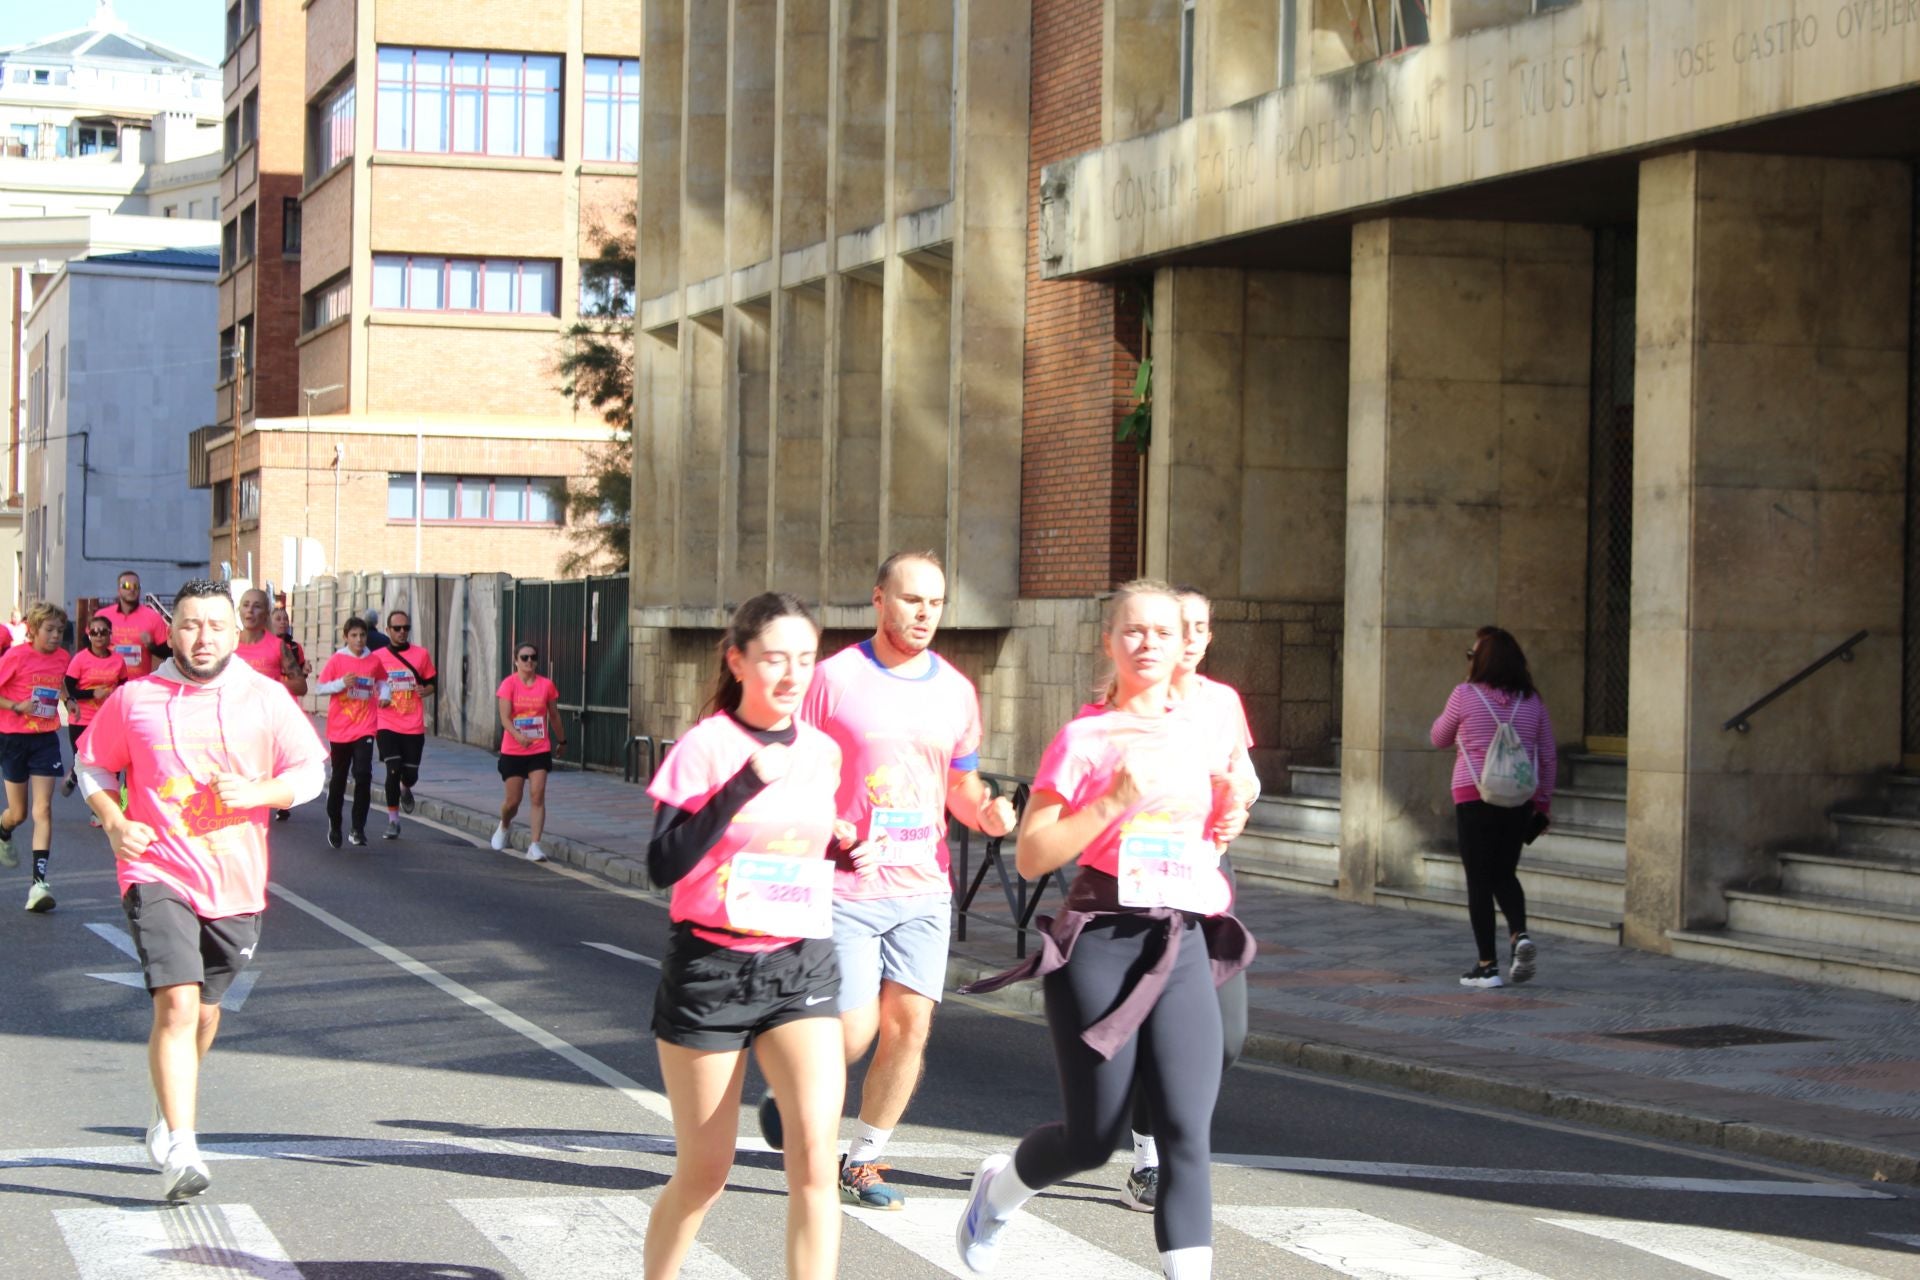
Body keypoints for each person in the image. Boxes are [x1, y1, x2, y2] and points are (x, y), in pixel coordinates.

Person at [955, 580, 1254, 1280]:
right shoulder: (1084, 737)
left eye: (1162, 632)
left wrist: (1230, 813)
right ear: (1110, 642)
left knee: (1186, 1135)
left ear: (1187, 644)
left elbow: (1221, 800)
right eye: (1133, 631)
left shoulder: (1205, 726)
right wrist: (1115, 799)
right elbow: (1033, 856)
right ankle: (995, 1196)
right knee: (1093, 1139)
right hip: (1102, 938)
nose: (1148, 643)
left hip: (1180, 937)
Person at [760, 552, 1014, 1210]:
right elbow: (791, 769)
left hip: (923, 888)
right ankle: (793, 1087)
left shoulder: (956, 689)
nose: (924, 613)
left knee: (911, 1027)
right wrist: (825, 832)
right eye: (910, 600)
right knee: (852, 1030)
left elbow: (959, 783)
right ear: (878, 600)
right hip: (846, 885)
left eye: (934, 602)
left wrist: (983, 811)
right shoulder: (833, 680)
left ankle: (862, 1159)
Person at [75, 578, 327, 1201]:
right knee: (178, 1004)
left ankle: (166, 1108)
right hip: (156, 869)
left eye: (216, 625)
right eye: (190, 624)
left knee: (207, 1012)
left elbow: (311, 772)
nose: (203, 637)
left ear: (235, 633)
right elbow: (90, 762)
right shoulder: (136, 699)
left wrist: (261, 794)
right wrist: (114, 820)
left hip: (236, 880)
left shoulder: (266, 698)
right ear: (171, 631)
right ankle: (183, 1148)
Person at [643, 592, 850, 1280]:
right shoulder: (707, 746)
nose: (792, 675)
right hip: (711, 968)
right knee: (706, 1173)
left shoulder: (822, 752)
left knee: (817, 1160)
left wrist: (844, 850)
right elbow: (661, 864)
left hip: (800, 966)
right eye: (774, 660)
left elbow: (795, 850)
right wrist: (738, 787)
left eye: (804, 659)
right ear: (738, 662)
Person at [1116, 586, 1258, 1212]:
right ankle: (1152, 1156)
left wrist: (1239, 810)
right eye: (1184, 626)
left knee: (1227, 1035)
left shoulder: (1222, 702)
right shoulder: (1131, 702)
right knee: (1153, 1025)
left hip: (1205, 877)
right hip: (1144, 883)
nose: (1194, 638)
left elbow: (1241, 775)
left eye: (1203, 626)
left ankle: (1153, 1127)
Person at [1430, 626, 1557, 989]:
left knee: (1479, 881)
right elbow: (1547, 755)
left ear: (1480, 661)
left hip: (1474, 796)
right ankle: (1520, 935)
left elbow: (1438, 737)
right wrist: (1542, 804)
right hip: (1519, 799)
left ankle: (1487, 966)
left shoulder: (1464, 695)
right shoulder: (1531, 701)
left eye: (1472, 656)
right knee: (1505, 872)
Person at [0, 603, 72, 912]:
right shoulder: (15, 656)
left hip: (45, 738)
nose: (56, 636)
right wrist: (17, 707)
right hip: (14, 739)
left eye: (60, 631)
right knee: (18, 814)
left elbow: (59, 680)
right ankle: (4, 830)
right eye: (50, 630)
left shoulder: (62, 658)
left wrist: (69, 700)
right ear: (33, 630)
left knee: (43, 809)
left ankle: (38, 884)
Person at [313, 617, 387, 848]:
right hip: (340, 728)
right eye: (353, 635)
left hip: (365, 726)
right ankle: (335, 824)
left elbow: (383, 681)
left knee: (363, 774)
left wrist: (385, 695)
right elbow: (320, 688)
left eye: (362, 635)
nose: (358, 640)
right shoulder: (337, 660)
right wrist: (341, 684)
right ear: (346, 637)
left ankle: (358, 827)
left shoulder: (373, 660)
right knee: (339, 778)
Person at [491, 643, 561, 862]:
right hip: (513, 749)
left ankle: (535, 845)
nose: (529, 661)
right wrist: (518, 736)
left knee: (537, 795)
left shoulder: (546, 685)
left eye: (533, 657)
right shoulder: (508, 685)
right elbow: (504, 717)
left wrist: (563, 739)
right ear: (516, 661)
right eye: (524, 657)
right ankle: (504, 825)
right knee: (513, 801)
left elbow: (554, 715)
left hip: (539, 748)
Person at [373, 609, 437, 840]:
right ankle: (393, 821)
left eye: (405, 628)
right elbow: (371, 684)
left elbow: (431, 684)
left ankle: (406, 787)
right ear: (388, 630)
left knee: (410, 773)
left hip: (412, 724)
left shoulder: (421, 655)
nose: (402, 632)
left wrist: (425, 690)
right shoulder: (378, 657)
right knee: (393, 767)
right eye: (397, 628)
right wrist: (378, 696)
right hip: (386, 721)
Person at [63, 611, 129, 816]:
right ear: (89, 635)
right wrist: (93, 693)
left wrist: (117, 697)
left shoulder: (118, 660)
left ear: (110, 635)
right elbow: (69, 689)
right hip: (82, 718)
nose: (99, 636)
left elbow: (123, 686)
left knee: (111, 763)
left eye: (103, 632)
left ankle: (102, 809)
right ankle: (76, 775)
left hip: (108, 719)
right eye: (94, 632)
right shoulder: (80, 659)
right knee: (85, 761)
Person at [99, 570, 172, 678]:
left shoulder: (153, 617)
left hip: (137, 684)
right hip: (108, 683)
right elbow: (87, 648)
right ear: (119, 590)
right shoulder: (103, 616)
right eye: (126, 586)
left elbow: (168, 653)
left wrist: (151, 646)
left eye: (136, 586)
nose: (132, 589)